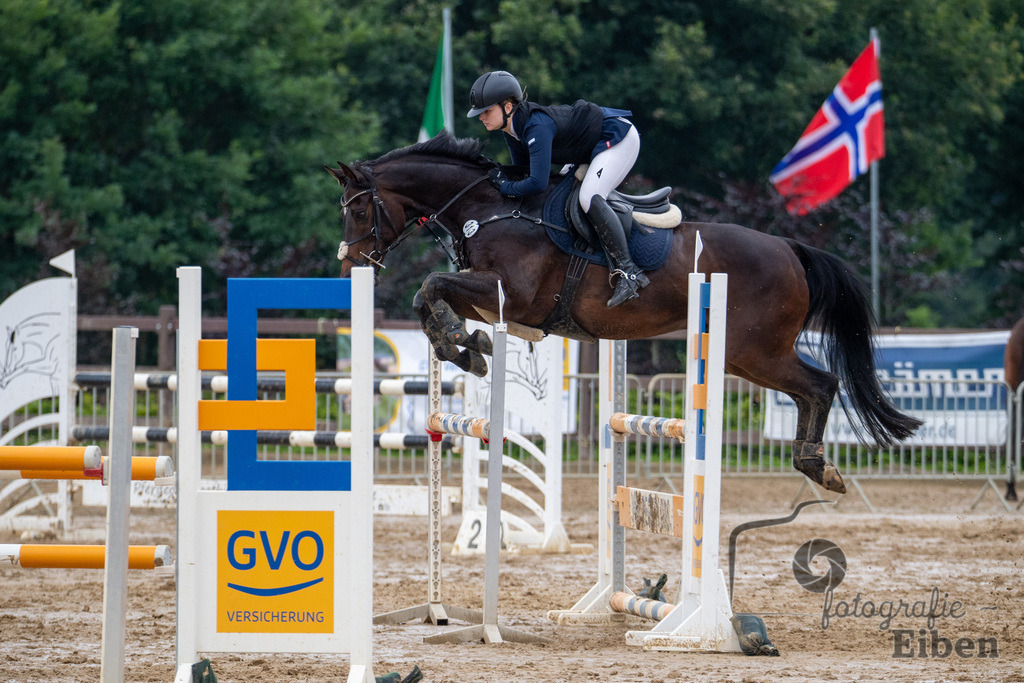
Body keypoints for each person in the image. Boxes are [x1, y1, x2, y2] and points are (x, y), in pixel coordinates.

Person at [467, 70, 649, 307]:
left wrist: (504, 187)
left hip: (616, 136)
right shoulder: (511, 131)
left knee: (589, 197)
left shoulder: (535, 127)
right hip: (586, 148)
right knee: (559, 195)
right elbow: (522, 172)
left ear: (508, 107)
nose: (481, 117)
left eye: (486, 111)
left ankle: (629, 272)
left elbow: (537, 183)